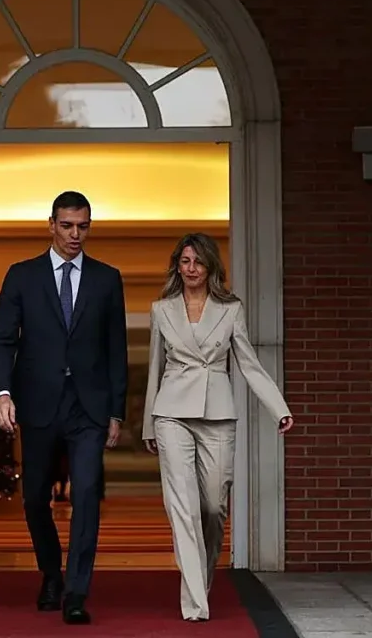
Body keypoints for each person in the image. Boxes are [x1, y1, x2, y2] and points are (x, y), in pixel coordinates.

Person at [142, 233, 295, 622]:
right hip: (172, 413)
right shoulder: (161, 310)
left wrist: (278, 408)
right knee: (184, 508)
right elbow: (155, 369)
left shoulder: (230, 310)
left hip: (218, 415)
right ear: (177, 265)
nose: (191, 269)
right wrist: (148, 424)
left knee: (212, 506)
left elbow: (247, 363)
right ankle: (195, 602)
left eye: (198, 262)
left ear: (211, 267)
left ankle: (201, 578)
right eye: (185, 261)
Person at [0, 191, 128, 625]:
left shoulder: (107, 279)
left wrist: (116, 411)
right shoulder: (21, 276)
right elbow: (4, 341)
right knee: (35, 498)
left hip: (88, 407)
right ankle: (50, 572)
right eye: (67, 225)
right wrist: (2, 394)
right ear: (50, 224)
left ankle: (76, 591)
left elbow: (116, 350)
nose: (75, 234)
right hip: (38, 403)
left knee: (86, 494)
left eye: (83, 226)